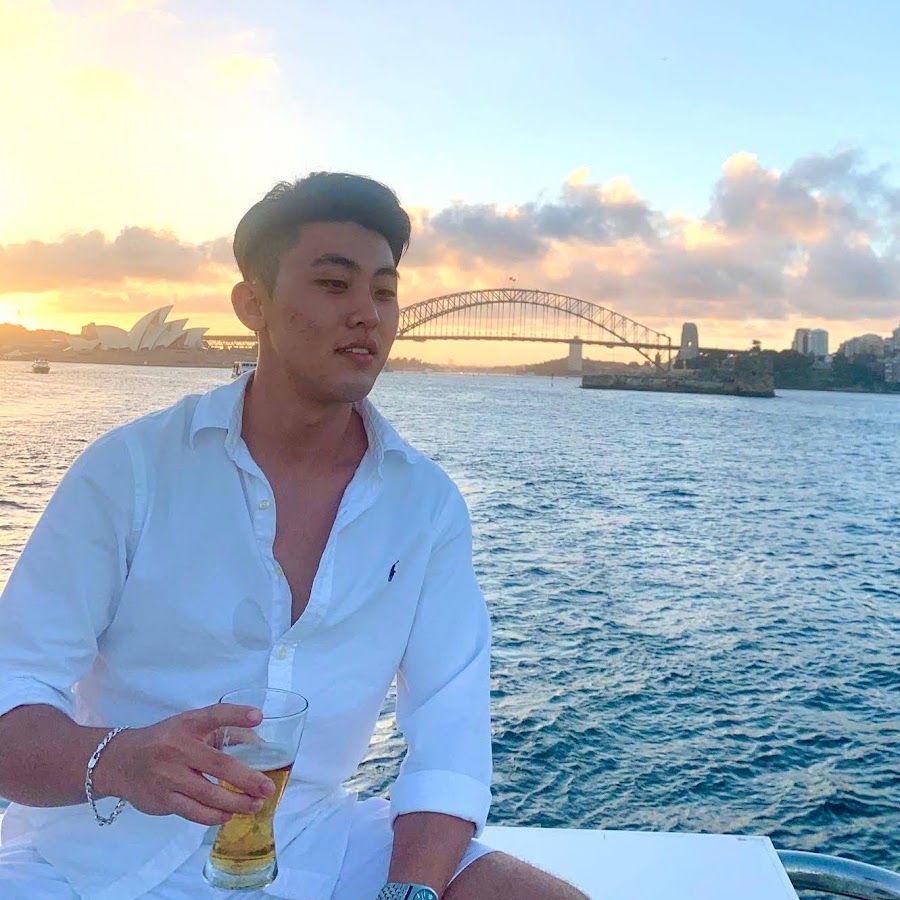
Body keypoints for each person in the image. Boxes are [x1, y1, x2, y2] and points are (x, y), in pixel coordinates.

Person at [0, 173, 587, 900]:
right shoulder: (131, 470)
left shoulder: (425, 505)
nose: (367, 314)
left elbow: (450, 732)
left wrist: (409, 894)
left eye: (384, 291)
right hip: (92, 851)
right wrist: (121, 761)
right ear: (253, 304)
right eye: (334, 285)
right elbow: (13, 686)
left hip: (312, 840)